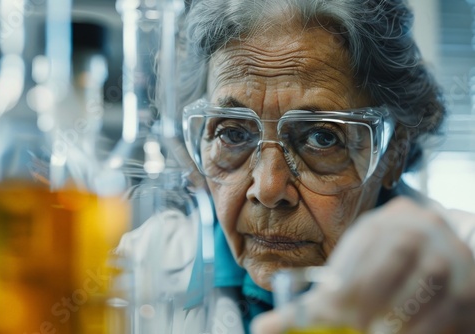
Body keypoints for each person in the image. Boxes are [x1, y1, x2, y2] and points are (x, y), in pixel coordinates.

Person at [120, 0, 475, 333]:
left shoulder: (462, 271)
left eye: (321, 137)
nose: (269, 188)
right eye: (232, 133)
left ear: (394, 153)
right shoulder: (141, 265)